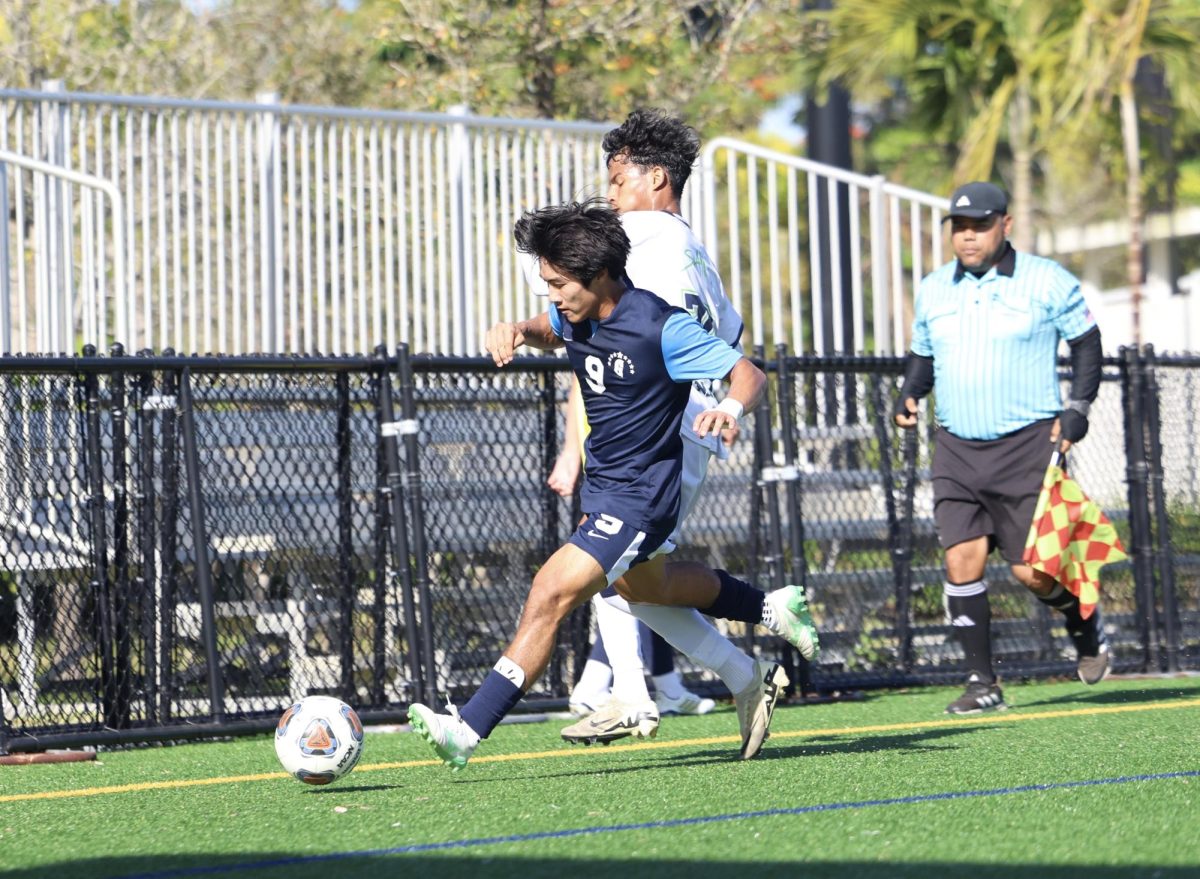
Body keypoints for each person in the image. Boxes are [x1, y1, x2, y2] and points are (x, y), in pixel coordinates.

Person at [408, 199, 818, 769]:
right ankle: (767, 620)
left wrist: (729, 406)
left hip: (641, 498)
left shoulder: (661, 327)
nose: (551, 295)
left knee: (549, 591)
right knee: (650, 589)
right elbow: (547, 329)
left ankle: (468, 729)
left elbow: (749, 374)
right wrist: (516, 332)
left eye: (557, 283)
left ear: (598, 275)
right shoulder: (576, 315)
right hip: (606, 489)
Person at [540, 108, 744, 732]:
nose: (610, 195)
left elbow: (613, 343)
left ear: (657, 178)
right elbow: (731, 333)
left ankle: (631, 692)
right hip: (691, 426)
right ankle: (728, 664)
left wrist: (575, 448)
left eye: (617, 181)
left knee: (612, 558)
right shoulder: (693, 250)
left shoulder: (647, 241)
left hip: (663, 425)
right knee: (635, 573)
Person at [894, 181, 1107, 715]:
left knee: (1031, 573)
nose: (968, 237)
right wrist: (909, 393)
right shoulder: (935, 288)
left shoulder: (1047, 280)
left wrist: (1077, 408)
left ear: (1005, 225)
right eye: (959, 227)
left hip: (1027, 446)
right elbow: (924, 354)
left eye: (979, 226)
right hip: (957, 448)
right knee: (961, 561)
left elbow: (1086, 343)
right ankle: (982, 682)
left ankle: (1083, 620)